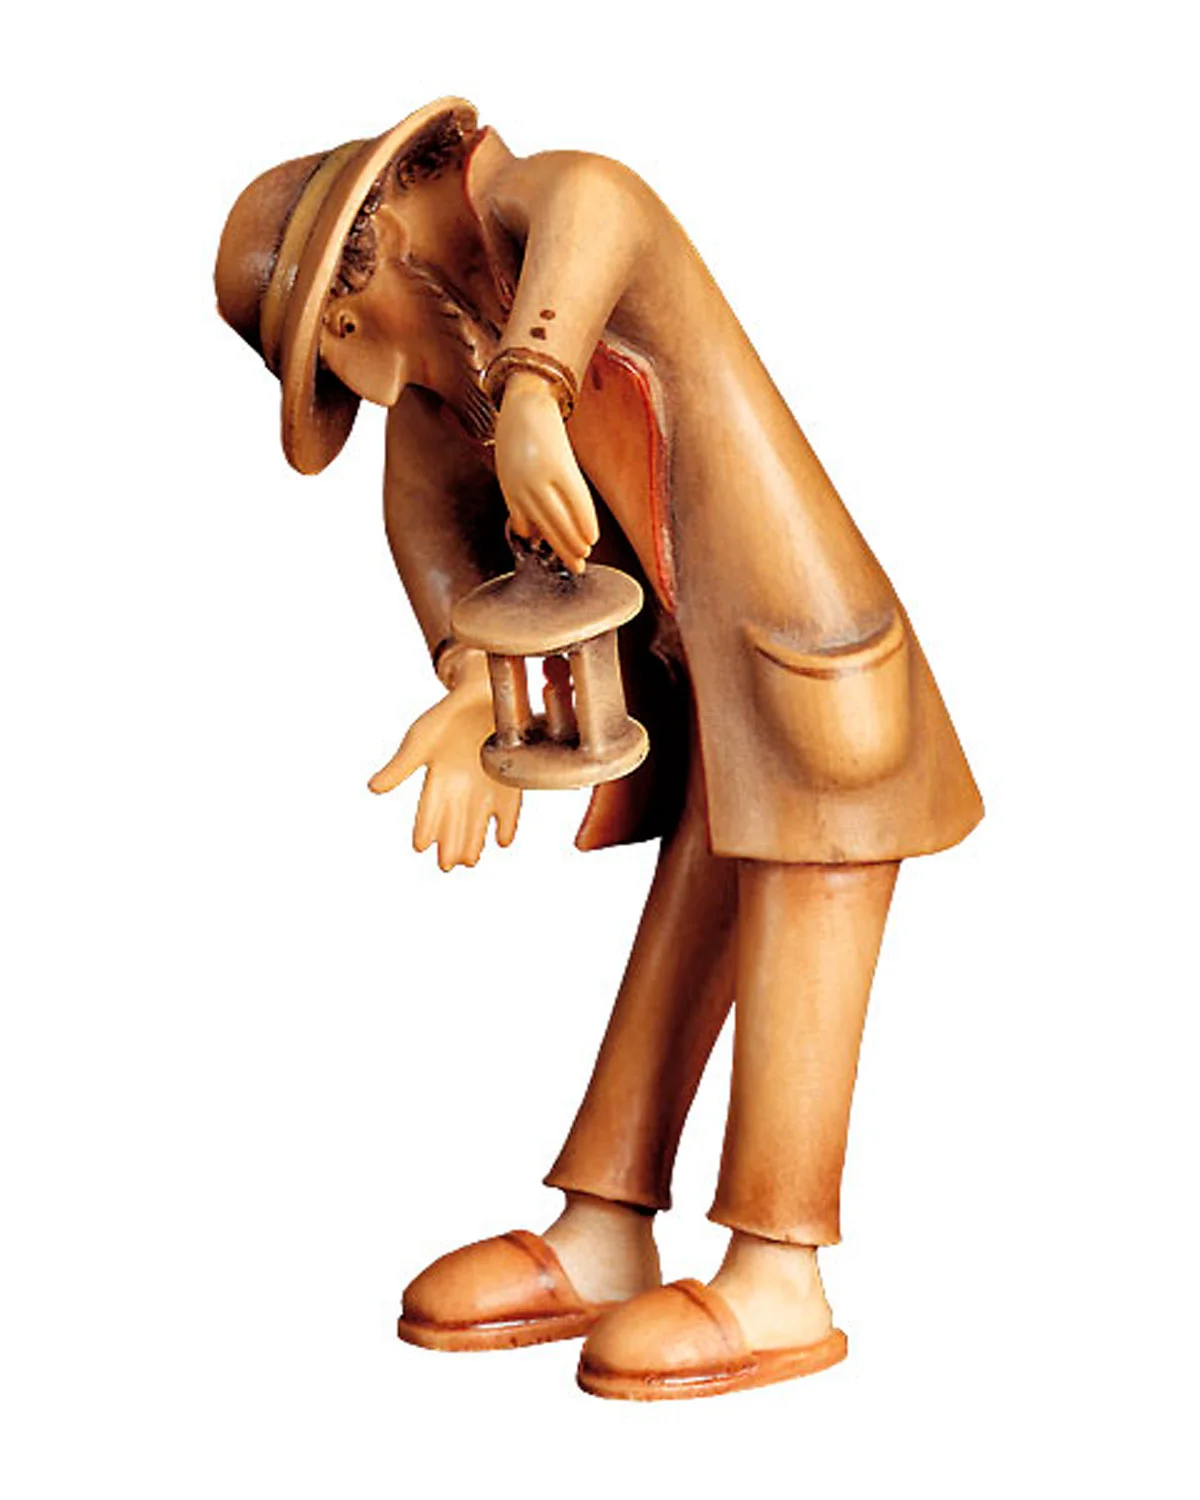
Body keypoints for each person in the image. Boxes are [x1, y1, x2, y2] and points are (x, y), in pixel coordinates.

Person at [216, 97, 983, 1399]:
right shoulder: (434, 405)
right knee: (686, 930)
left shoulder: (539, 217)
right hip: (712, 693)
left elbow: (606, 198)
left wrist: (535, 388)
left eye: (333, 346)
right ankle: (606, 1227)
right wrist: (475, 689)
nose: (367, 382)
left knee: (805, 913)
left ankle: (778, 1272)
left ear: (363, 274)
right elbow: (439, 554)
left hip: (806, 651)